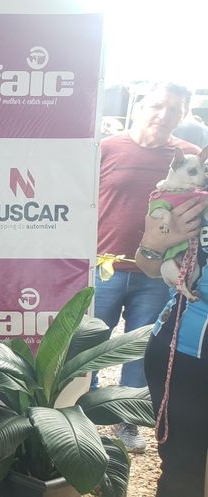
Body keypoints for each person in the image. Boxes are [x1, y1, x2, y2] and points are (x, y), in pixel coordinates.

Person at [95, 81, 200, 453]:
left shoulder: (191, 159)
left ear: (183, 115)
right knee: (88, 345)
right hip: (104, 267)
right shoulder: (106, 148)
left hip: (157, 274)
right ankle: (83, 414)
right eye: (157, 106)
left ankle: (128, 421)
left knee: (141, 350)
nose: (163, 115)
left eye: (174, 110)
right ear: (140, 106)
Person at [134, 188, 208, 497]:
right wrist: (156, 243)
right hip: (187, 349)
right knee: (184, 473)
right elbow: (148, 264)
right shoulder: (193, 191)